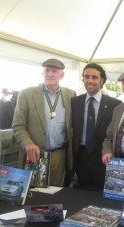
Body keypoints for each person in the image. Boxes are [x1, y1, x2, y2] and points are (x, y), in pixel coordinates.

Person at [12, 58, 77, 186]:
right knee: (33, 193)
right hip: (34, 154)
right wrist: (28, 143)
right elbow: (18, 125)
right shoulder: (27, 94)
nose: (50, 74)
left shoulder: (71, 95)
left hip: (59, 155)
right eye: (47, 70)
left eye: (54, 71)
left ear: (62, 75)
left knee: (55, 192)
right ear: (42, 73)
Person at [71, 63, 121, 191]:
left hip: (104, 157)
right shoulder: (75, 102)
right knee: (82, 193)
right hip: (81, 156)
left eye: (94, 77)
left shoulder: (115, 105)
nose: (90, 80)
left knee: (103, 193)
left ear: (102, 80)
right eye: (87, 77)